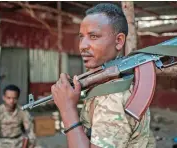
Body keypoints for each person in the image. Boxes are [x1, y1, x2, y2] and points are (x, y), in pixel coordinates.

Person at [51, 3, 156, 148]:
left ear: (118, 41)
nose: (83, 45)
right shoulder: (110, 81)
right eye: (81, 37)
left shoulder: (113, 98)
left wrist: (67, 109)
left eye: (93, 36)